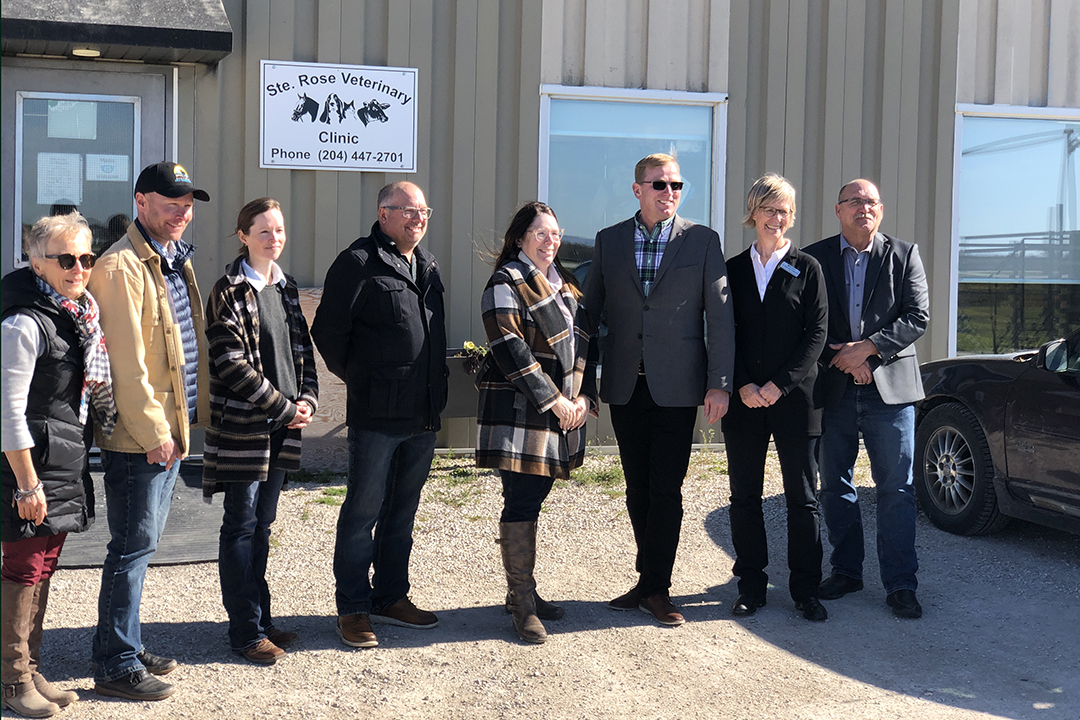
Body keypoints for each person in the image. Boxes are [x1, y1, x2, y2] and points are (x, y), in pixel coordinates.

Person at [582, 153, 735, 626]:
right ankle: (648, 579)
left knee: (666, 489)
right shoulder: (609, 242)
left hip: (678, 385)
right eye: (659, 185)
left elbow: (721, 319)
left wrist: (720, 384)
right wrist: (585, 384)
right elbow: (588, 318)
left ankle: (657, 588)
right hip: (627, 384)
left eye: (675, 185)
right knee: (635, 488)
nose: (668, 193)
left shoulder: (703, 241)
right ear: (637, 190)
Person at [88, 161, 211, 700]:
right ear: (141, 201)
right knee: (131, 547)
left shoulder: (169, 259)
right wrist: (156, 432)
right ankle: (115, 662)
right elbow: (128, 367)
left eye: (187, 203)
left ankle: (128, 643)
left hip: (169, 427)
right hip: (143, 435)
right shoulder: (121, 268)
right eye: (170, 201)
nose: (182, 211)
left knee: (144, 543)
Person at [311, 181, 448, 649]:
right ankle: (352, 607)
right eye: (407, 210)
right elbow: (328, 333)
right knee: (362, 512)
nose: (418, 218)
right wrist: (366, 379)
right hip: (376, 415)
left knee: (402, 513)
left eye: (423, 210)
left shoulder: (425, 264)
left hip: (423, 414)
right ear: (383, 213)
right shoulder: (357, 263)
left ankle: (391, 596)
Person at [1, 213, 117, 718]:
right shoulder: (24, 321)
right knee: (23, 567)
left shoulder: (78, 314)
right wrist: (27, 482)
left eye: (86, 258)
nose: (78, 268)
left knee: (45, 565)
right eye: (66, 259)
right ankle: (11, 680)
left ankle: (30, 666)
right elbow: (6, 409)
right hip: (30, 464)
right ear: (35, 260)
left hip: (65, 457)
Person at [804, 178, 930, 619]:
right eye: (854, 201)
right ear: (837, 210)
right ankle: (846, 572)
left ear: (882, 210)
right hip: (834, 389)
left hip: (890, 393)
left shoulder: (904, 255)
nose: (864, 208)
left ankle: (900, 584)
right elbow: (803, 322)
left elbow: (918, 316)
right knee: (835, 484)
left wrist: (868, 349)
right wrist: (844, 358)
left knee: (896, 489)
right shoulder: (814, 257)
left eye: (872, 202)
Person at [203, 198, 319, 665]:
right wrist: (283, 407)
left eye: (280, 230)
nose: (274, 239)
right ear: (243, 236)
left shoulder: (285, 286)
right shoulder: (228, 289)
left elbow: (303, 356)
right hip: (245, 430)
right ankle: (244, 632)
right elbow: (229, 363)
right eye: (265, 231)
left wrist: (306, 401)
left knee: (262, 527)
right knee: (241, 527)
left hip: (282, 427)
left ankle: (262, 619)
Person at [475, 202, 598, 643]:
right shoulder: (507, 280)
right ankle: (521, 603)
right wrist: (555, 401)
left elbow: (586, 347)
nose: (552, 241)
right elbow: (510, 348)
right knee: (522, 501)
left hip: (560, 410)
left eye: (556, 233)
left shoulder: (564, 284)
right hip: (521, 412)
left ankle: (526, 592)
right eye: (542, 234)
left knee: (535, 498)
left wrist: (583, 396)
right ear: (521, 238)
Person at [722, 174, 828, 622]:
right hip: (744, 401)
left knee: (801, 498)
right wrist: (744, 384)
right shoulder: (733, 269)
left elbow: (817, 334)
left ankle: (805, 589)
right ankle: (751, 586)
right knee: (744, 497)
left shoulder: (807, 268)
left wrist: (778, 385)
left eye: (784, 210)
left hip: (796, 400)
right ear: (753, 213)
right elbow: (725, 333)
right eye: (769, 209)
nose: (776, 218)